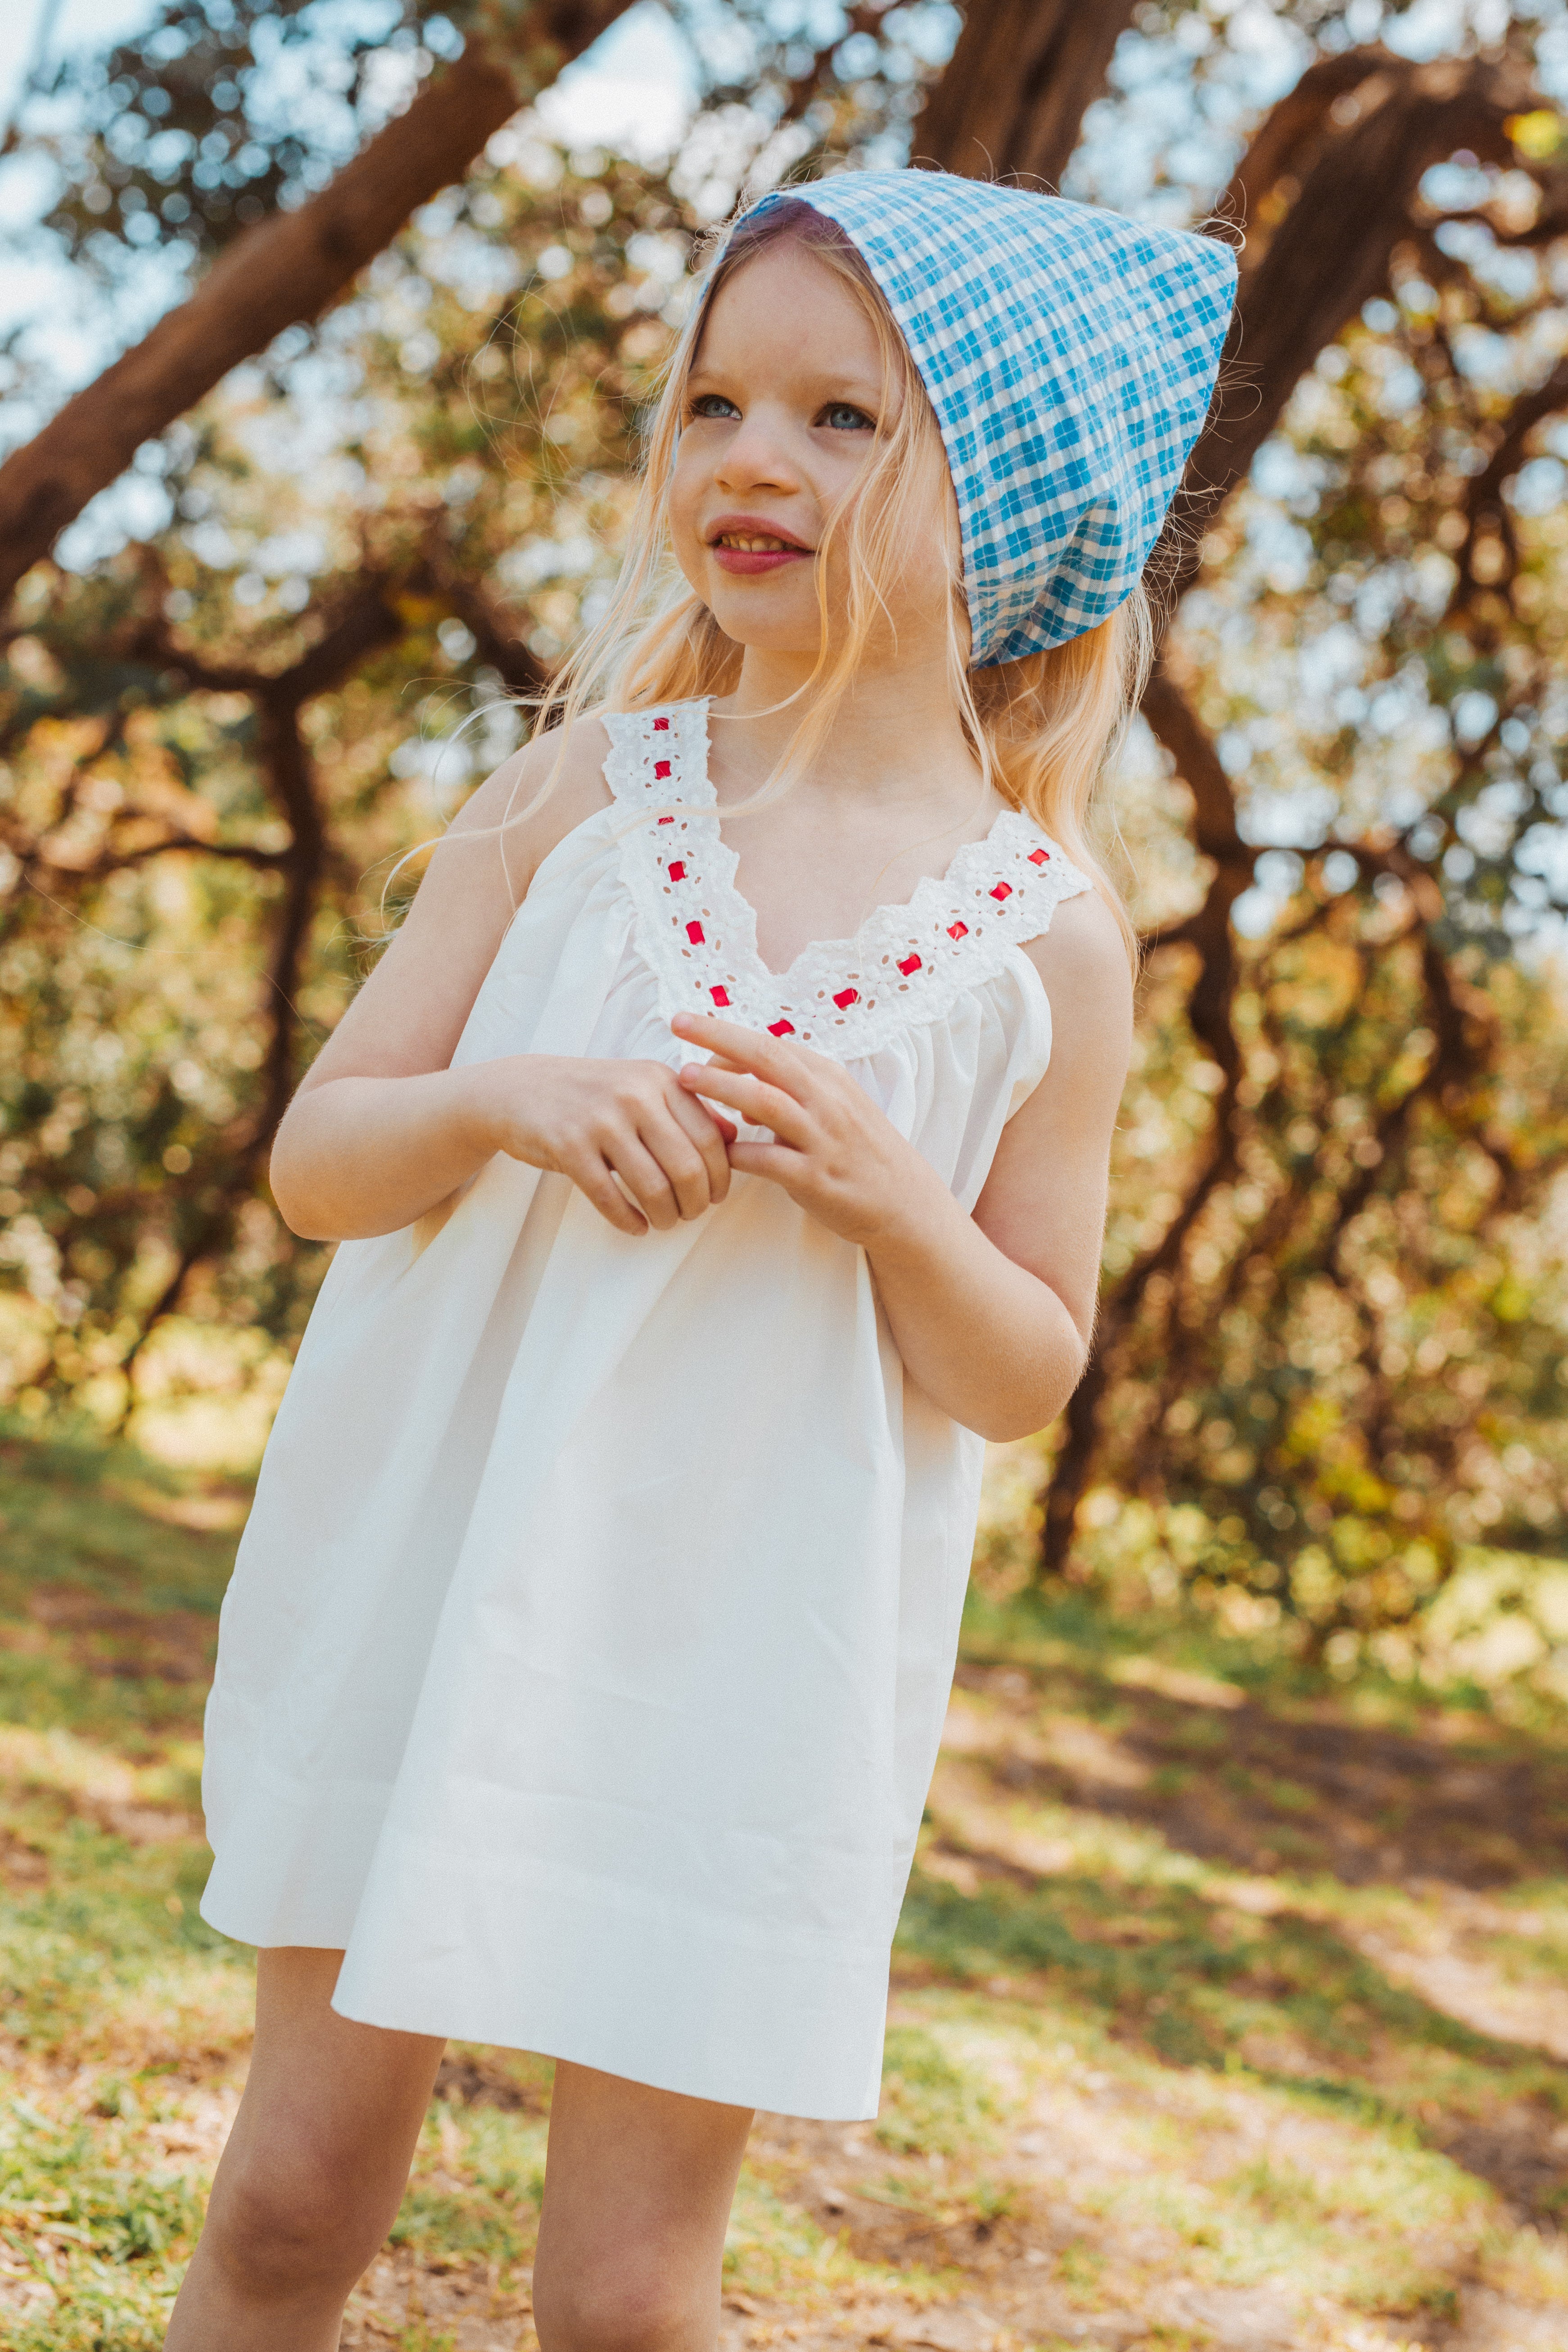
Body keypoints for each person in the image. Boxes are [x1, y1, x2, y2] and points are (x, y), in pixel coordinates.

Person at [166, 169, 1235, 2351]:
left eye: (844, 421)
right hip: (429, 1578)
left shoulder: (1046, 938)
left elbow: (1019, 1363)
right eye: (717, 403)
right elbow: (317, 1164)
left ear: (1008, 486)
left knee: (630, 2303)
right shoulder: (569, 797)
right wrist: (503, 1104)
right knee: (288, 2201)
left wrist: (888, 1199)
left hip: (738, 1674)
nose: (751, 457)